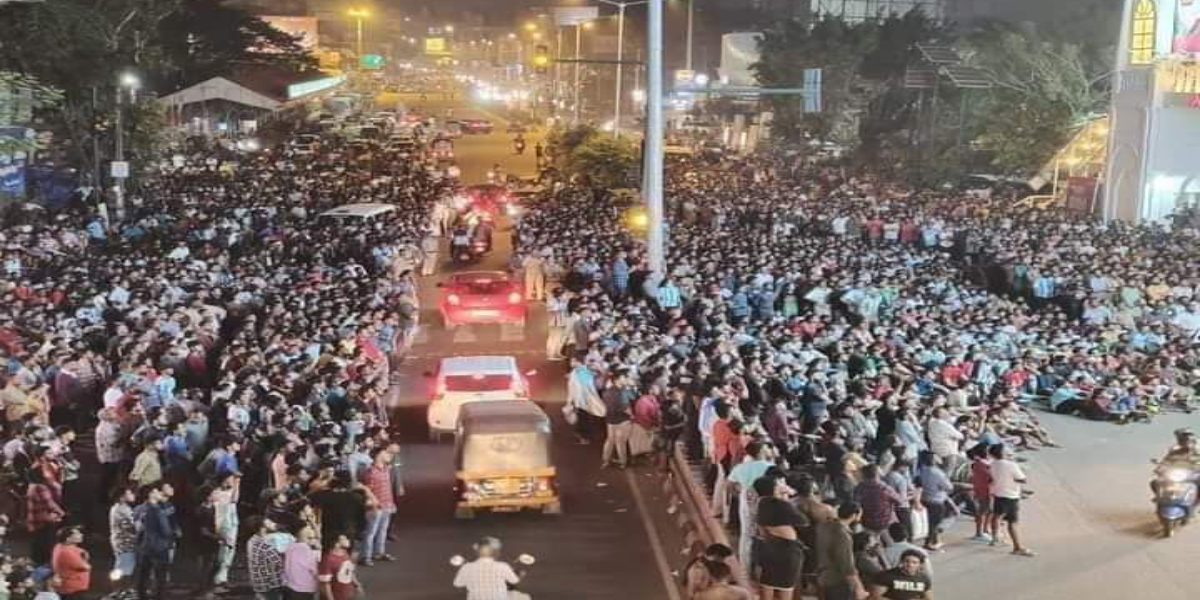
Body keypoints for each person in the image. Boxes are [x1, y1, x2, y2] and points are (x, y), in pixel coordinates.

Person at [987, 444, 1034, 557]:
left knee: (997, 516)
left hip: (998, 493)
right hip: (1010, 495)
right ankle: (1017, 547)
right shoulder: (1011, 465)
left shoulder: (992, 464)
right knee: (1012, 522)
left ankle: (995, 538)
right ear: (1002, 453)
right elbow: (1023, 479)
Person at [816, 502, 867, 600]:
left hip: (823, 576)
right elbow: (847, 565)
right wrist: (858, 587)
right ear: (853, 515)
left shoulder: (823, 526)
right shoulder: (843, 535)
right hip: (837, 580)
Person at [452, 537, 522, 600]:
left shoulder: (467, 567)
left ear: (477, 551)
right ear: (496, 552)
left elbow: (458, 584)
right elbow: (514, 581)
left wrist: (466, 573)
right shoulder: (503, 566)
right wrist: (520, 574)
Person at [51, 526, 91, 600]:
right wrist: (85, 559)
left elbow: (80, 551)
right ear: (68, 539)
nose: (81, 535)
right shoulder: (66, 553)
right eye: (77, 534)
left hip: (69, 588)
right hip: (72, 590)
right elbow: (86, 567)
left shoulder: (60, 546)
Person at [318, 534, 361, 600]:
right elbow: (325, 584)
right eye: (344, 539)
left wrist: (356, 584)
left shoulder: (345, 553)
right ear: (336, 544)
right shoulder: (328, 559)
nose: (348, 540)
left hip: (347, 594)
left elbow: (349, 571)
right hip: (336, 596)